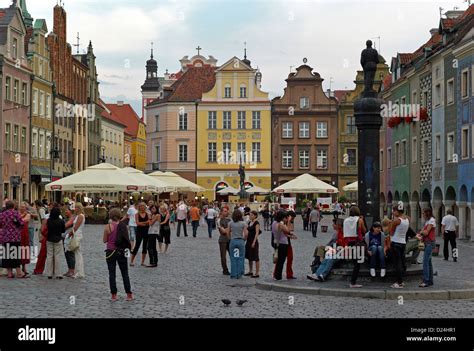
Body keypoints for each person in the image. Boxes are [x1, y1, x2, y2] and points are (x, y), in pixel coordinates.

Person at [103, 208, 133, 301]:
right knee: (125, 273)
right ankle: (129, 295)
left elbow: (104, 240)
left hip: (110, 252)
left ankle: (114, 295)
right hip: (121, 251)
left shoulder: (107, 227)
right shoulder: (123, 226)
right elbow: (126, 239)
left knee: (112, 274)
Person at [0, 201, 28, 278]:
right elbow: (21, 223)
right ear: (13, 206)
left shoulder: (2, 214)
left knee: (7, 255)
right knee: (15, 254)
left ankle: (9, 273)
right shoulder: (15, 213)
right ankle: (19, 272)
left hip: (5, 237)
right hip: (15, 236)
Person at [343, 206, 366, 288]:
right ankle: (353, 282)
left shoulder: (345, 220)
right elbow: (364, 230)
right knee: (357, 263)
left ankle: (353, 281)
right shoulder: (359, 220)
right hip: (357, 242)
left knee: (354, 262)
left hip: (349, 243)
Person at [389, 202, 410, 289]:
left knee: (397, 263)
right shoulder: (407, 219)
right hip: (403, 243)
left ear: (398, 211)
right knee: (401, 262)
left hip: (395, 242)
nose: (393, 212)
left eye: (394, 211)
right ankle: (401, 280)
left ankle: (399, 282)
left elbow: (391, 232)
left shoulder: (397, 221)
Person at [272, 211, 296, 281]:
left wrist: (289, 235)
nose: (286, 219)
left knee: (279, 260)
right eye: (285, 218)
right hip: (283, 244)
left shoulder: (274, 223)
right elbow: (288, 230)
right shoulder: (280, 224)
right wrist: (288, 221)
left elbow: (282, 233)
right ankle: (278, 276)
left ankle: (276, 275)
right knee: (281, 261)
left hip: (277, 242)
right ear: (282, 218)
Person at [225, 209, 248, 279]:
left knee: (233, 258)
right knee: (241, 257)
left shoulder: (230, 223)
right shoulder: (243, 223)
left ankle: (233, 273)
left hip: (233, 241)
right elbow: (246, 233)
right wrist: (244, 239)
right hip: (240, 241)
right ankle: (239, 273)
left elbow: (227, 232)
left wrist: (230, 238)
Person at [45, 207, 65, 279]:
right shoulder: (61, 221)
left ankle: (49, 273)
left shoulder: (48, 221)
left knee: (49, 256)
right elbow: (63, 231)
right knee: (57, 256)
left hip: (49, 238)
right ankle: (58, 273)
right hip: (58, 239)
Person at [418, 208, 436, 288]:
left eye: (423, 213)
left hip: (429, 243)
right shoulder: (427, 221)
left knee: (425, 262)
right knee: (429, 262)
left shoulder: (431, 220)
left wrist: (421, 232)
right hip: (427, 243)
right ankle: (430, 280)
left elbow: (426, 232)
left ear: (427, 213)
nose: (423, 215)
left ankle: (426, 280)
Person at [69, 203, 85, 278]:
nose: (75, 209)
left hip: (77, 235)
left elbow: (76, 227)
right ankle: (78, 271)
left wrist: (70, 233)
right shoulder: (78, 216)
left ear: (79, 208)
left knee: (78, 254)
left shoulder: (80, 216)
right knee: (77, 254)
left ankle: (79, 272)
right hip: (76, 234)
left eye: (76, 207)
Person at [244, 210, 260, 278]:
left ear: (255, 216)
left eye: (251, 215)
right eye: (250, 215)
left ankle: (257, 272)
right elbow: (247, 231)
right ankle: (250, 271)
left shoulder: (256, 223)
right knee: (249, 257)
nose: (250, 216)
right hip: (248, 241)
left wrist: (254, 242)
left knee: (256, 257)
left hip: (254, 241)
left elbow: (257, 233)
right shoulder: (249, 222)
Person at [18, 202, 32, 275]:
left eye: (23, 207)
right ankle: (18, 267)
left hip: (24, 234)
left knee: (24, 249)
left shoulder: (28, 215)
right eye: (21, 206)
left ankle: (24, 267)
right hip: (17, 234)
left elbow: (23, 221)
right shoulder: (17, 213)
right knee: (17, 250)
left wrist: (18, 219)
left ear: (26, 208)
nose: (22, 208)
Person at [63, 206, 76, 278]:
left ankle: (72, 270)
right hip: (65, 237)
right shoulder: (67, 218)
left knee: (70, 254)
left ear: (70, 211)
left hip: (69, 238)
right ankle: (69, 270)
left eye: (66, 211)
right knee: (66, 254)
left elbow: (66, 225)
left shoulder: (72, 218)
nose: (65, 212)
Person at [217, 206, 231, 275]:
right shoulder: (219, 220)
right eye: (225, 211)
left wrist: (227, 230)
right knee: (223, 256)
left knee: (232, 255)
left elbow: (232, 229)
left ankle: (234, 268)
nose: (226, 212)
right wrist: (228, 230)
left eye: (227, 211)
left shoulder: (229, 220)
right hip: (223, 240)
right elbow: (223, 232)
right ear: (221, 212)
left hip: (230, 239)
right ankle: (225, 270)